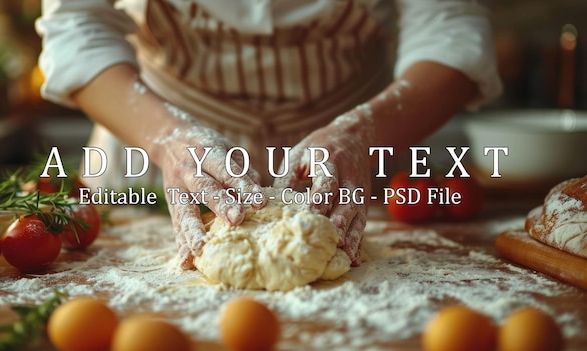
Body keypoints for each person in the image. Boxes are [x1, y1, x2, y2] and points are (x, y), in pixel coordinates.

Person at [35, 0, 502, 270]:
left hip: (353, 148)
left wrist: (363, 133)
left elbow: (452, 27)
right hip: (155, 138)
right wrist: (166, 140)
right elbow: (77, 26)